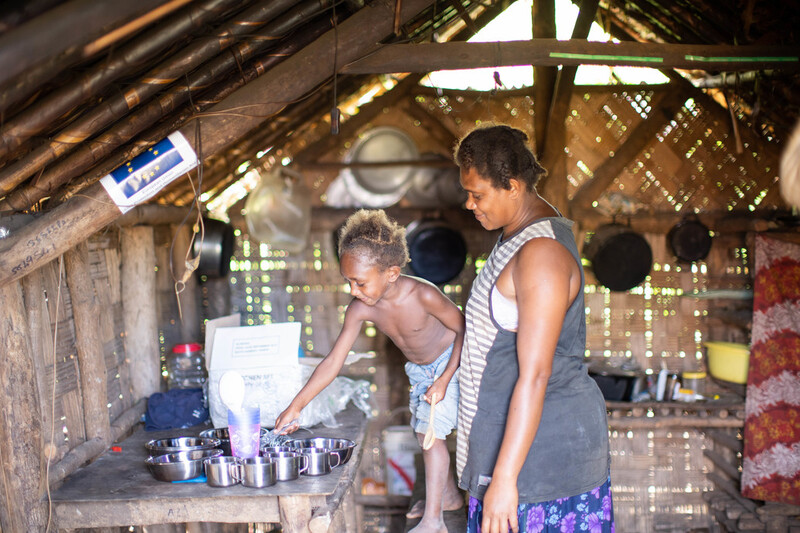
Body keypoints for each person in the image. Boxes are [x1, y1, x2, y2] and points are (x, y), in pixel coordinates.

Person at [453, 124, 614, 533]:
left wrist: (506, 480)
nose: (469, 204)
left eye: (478, 194)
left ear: (513, 186)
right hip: (511, 451)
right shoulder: (514, 240)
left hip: (540, 462)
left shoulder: (541, 252)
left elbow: (536, 374)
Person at [275, 209, 465, 533]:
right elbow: (334, 361)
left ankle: (435, 520)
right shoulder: (361, 306)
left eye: (359, 282)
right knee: (424, 434)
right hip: (420, 371)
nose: (352, 289)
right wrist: (296, 406)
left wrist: (446, 378)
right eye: (348, 281)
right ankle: (446, 497)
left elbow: (464, 329)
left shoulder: (424, 295)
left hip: (453, 362)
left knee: (430, 436)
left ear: (391, 273)